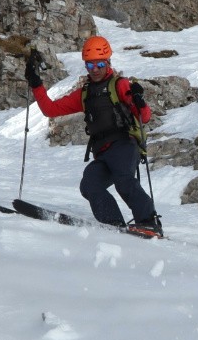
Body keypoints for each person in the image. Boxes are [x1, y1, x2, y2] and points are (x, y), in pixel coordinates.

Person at [25, 36, 163, 238]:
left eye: (99, 64)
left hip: (124, 146)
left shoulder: (120, 85)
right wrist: (36, 84)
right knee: (90, 184)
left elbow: (145, 117)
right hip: (103, 153)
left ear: (108, 62)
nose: (95, 69)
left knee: (124, 181)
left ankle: (149, 222)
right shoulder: (85, 93)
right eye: (90, 64)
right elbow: (50, 109)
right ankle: (114, 225)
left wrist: (138, 99)